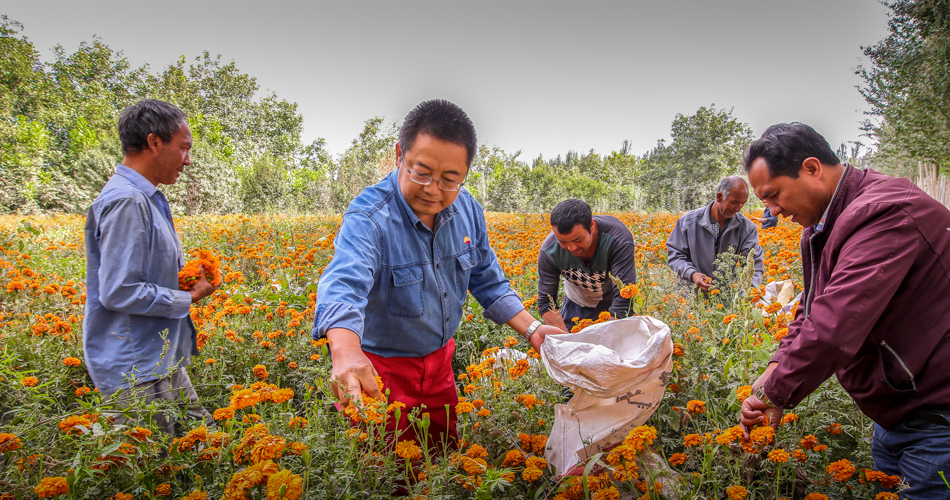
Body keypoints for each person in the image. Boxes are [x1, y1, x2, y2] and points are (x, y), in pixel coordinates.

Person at [311, 99, 560, 448]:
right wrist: (346, 349)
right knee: (381, 469)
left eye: (449, 179)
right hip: (379, 371)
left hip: (441, 364)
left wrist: (533, 329)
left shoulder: (468, 208)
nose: (432, 189)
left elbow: (487, 278)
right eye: (421, 172)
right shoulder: (370, 219)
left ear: (465, 174)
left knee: (439, 459)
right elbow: (343, 281)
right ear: (399, 155)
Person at [739, 123, 950, 499]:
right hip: (897, 417)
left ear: (811, 169)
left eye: (772, 195)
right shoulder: (829, 224)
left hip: (936, 422)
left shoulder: (884, 212)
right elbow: (812, 307)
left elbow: (834, 326)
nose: (770, 211)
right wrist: (773, 371)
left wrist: (774, 394)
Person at [83, 99, 218, 435]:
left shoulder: (145, 198)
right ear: (154, 142)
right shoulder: (127, 202)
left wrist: (188, 279)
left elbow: (140, 276)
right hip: (136, 370)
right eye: (184, 148)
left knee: (205, 446)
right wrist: (188, 298)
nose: (187, 160)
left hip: (157, 360)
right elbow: (120, 291)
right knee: (163, 470)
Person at [536, 199, 637, 331]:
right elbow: (546, 303)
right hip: (576, 306)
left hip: (615, 308)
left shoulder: (617, 240)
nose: (571, 247)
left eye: (578, 240)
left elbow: (624, 300)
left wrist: (607, 339)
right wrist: (565, 341)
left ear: (591, 225)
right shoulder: (550, 251)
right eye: (563, 242)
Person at [666, 176, 764, 293]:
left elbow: (753, 266)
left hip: (725, 301)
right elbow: (675, 256)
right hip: (690, 297)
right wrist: (692, 274)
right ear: (719, 197)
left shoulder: (747, 229)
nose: (738, 209)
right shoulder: (687, 222)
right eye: (734, 202)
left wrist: (749, 292)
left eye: (742, 204)